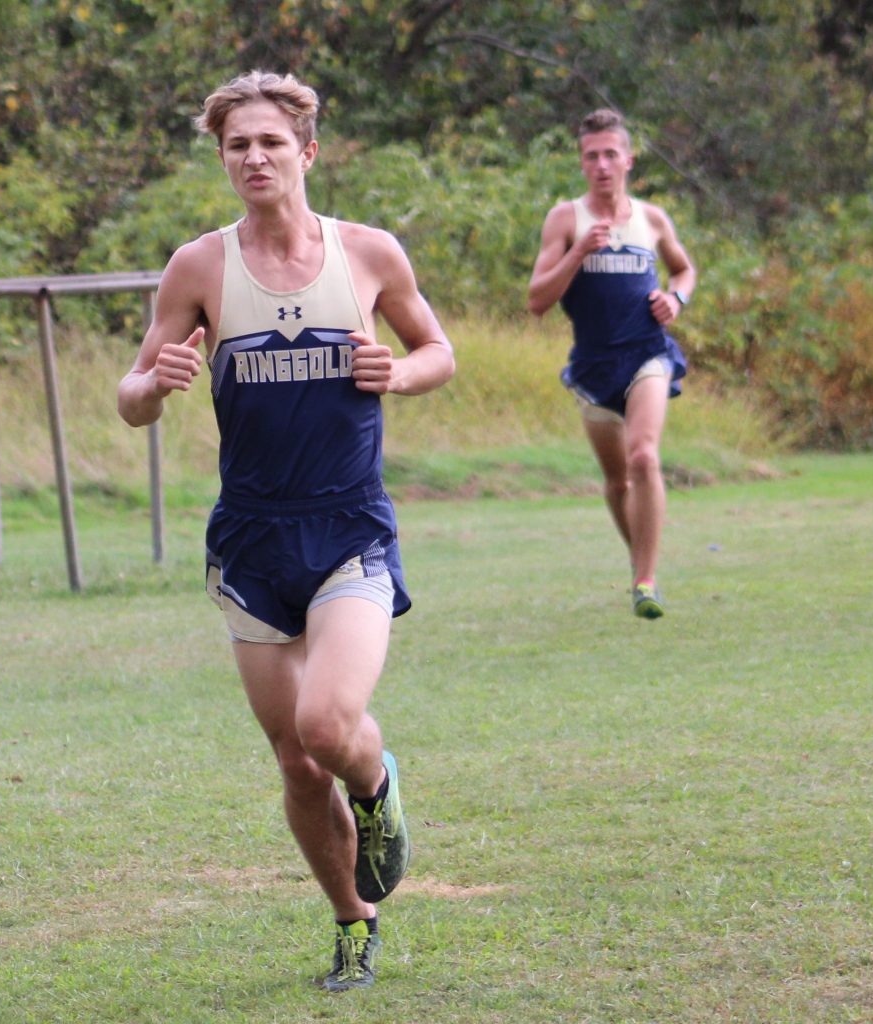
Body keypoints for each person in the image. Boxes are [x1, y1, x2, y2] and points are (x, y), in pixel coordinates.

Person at [117, 70, 454, 992]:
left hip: (348, 528)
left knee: (327, 724)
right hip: (252, 541)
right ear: (222, 160)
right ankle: (353, 920)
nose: (254, 157)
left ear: (307, 151)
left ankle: (377, 785)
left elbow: (437, 349)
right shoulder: (199, 267)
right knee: (297, 764)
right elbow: (130, 396)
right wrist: (156, 385)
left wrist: (402, 373)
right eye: (237, 146)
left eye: (270, 142)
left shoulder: (370, 254)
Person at [527, 108, 696, 618]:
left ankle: (646, 579)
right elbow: (536, 299)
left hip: (648, 353)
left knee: (644, 456)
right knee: (619, 480)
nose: (601, 164)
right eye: (591, 156)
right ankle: (639, 562)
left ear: (628, 159)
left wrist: (676, 299)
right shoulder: (566, 219)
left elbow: (684, 270)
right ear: (582, 163)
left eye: (610, 154)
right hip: (593, 366)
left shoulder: (652, 218)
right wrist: (578, 251)